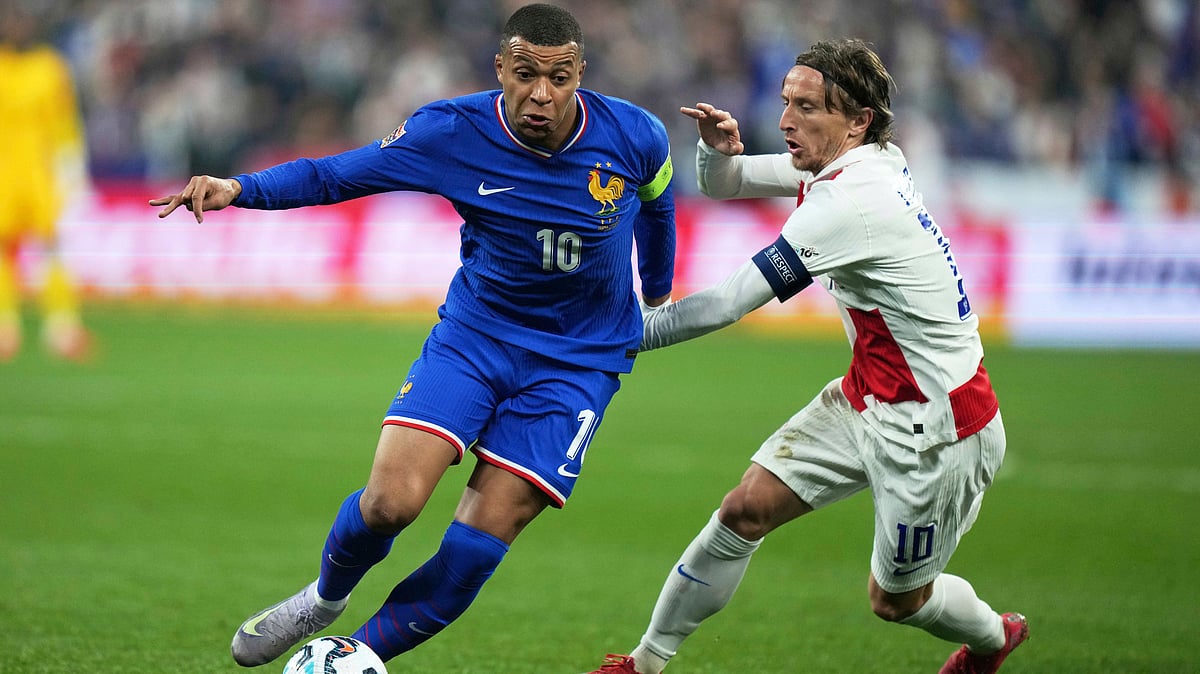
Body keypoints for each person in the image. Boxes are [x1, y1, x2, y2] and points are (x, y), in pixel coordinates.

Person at [150, 4, 676, 668]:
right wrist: (239, 187)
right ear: (500, 69)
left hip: (576, 364)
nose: (541, 94)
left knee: (477, 546)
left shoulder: (636, 135)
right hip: (477, 337)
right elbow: (335, 175)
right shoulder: (451, 132)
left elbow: (659, 205)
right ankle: (324, 598)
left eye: (560, 78)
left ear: (580, 75)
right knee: (390, 504)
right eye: (524, 75)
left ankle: (354, 657)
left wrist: (657, 293)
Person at [587, 38, 1027, 674]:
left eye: (808, 108)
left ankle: (993, 640)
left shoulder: (850, 202)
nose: (788, 120)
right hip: (868, 395)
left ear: (857, 122)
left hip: (936, 429)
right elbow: (729, 183)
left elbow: (726, 304)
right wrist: (716, 150)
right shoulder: (851, 164)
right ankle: (645, 663)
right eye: (786, 102)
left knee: (896, 600)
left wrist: (619, 332)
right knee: (745, 508)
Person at [0, 2, 92, 362]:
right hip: (3, 171)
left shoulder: (50, 68)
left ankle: (61, 326)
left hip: (40, 171)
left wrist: (72, 168)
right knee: (4, 247)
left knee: (52, 247)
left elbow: (64, 120)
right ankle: (6, 325)